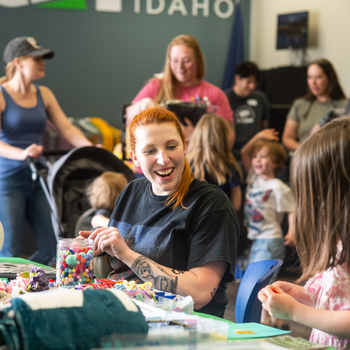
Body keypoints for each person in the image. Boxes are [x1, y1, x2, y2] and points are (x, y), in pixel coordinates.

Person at [80, 107, 239, 318]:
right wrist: (91, 250)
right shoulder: (131, 192)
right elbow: (114, 267)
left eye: (171, 146)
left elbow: (201, 293)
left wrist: (127, 255)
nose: (163, 160)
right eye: (150, 151)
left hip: (186, 324)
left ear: (184, 146)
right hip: (124, 311)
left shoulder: (210, 204)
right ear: (134, 157)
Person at [258, 117, 350, 350]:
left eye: (314, 191)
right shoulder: (339, 237)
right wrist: (301, 295)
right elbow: (337, 302)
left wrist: (293, 310)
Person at [0, 37, 94, 264]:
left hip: (38, 177)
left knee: (51, 249)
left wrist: (91, 149)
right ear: (19, 61)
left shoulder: (44, 94)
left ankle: (29, 282)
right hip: (8, 180)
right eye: (37, 58)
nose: (43, 62)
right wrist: (21, 153)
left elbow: (67, 129)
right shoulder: (2, 94)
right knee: (10, 250)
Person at [125, 34, 234, 146]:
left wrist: (195, 137)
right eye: (175, 61)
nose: (180, 67)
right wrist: (143, 104)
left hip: (199, 159)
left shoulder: (216, 94)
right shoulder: (156, 86)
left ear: (197, 60)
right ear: (169, 61)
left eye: (186, 61)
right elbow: (127, 119)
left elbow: (228, 140)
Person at [241, 129, 295, 264]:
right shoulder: (253, 178)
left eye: (263, 156)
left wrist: (292, 232)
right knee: (254, 283)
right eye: (255, 156)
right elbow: (244, 153)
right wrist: (258, 136)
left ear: (275, 162)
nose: (257, 160)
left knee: (259, 284)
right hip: (256, 240)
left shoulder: (278, 186)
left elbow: (293, 209)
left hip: (270, 240)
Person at [282, 58, 347, 152]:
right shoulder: (300, 104)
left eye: (318, 77)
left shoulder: (344, 105)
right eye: (310, 77)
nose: (313, 82)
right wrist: (304, 151)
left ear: (330, 77)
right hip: (302, 158)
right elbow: (287, 137)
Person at [186, 113, 242, 212]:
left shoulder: (186, 165)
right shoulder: (230, 167)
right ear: (224, 138)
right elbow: (236, 206)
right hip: (222, 223)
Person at [225, 61, 269, 162]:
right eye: (248, 82)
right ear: (237, 79)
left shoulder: (261, 99)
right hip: (232, 153)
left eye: (255, 82)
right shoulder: (225, 99)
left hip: (256, 152)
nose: (252, 86)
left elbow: (264, 125)